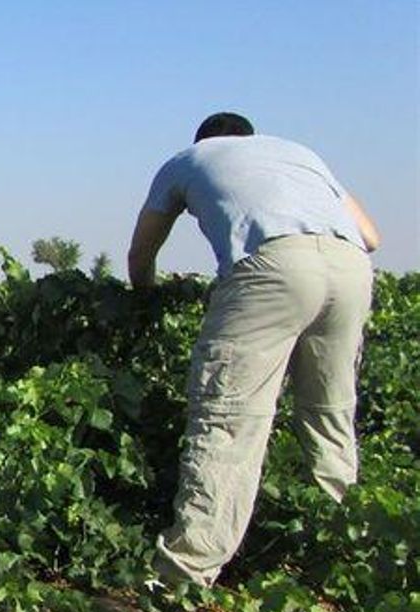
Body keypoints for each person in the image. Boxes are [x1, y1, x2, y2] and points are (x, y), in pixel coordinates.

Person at [127, 112, 382, 588]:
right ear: (251, 137)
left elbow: (142, 254)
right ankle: (345, 554)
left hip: (273, 265)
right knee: (329, 412)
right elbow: (371, 237)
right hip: (351, 269)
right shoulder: (301, 154)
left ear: (204, 141)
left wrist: (144, 299)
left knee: (228, 418)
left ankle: (184, 574)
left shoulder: (187, 160)